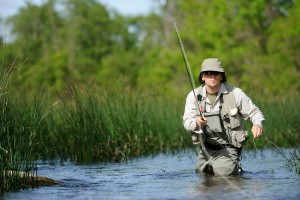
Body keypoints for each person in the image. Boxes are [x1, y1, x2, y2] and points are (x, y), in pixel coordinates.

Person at [183, 58, 265, 176]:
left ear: (222, 76)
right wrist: (197, 123)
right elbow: (186, 121)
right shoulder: (193, 96)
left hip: (229, 148)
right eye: (208, 73)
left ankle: (234, 169)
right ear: (202, 77)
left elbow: (255, 112)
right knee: (202, 178)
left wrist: (257, 124)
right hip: (205, 149)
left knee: (224, 176)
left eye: (216, 73)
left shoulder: (235, 93)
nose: (212, 76)